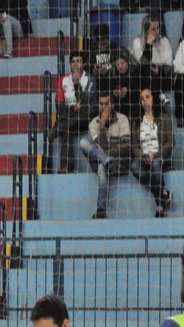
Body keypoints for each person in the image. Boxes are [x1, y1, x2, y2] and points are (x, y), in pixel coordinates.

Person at [79, 91, 131, 219]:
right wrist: (101, 125)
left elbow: (126, 147)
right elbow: (98, 148)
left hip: (118, 162)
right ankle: (105, 160)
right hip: (101, 159)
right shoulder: (93, 123)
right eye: (101, 104)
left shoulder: (122, 119)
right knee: (83, 142)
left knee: (102, 165)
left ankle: (101, 209)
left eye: (107, 103)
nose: (104, 107)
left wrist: (106, 154)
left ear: (112, 105)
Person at [49, 51, 98, 174]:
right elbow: (59, 107)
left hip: (85, 119)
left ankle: (57, 129)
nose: (75, 64)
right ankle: (66, 167)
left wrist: (76, 85)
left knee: (86, 112)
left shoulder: (90, 79)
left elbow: (86, 104)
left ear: (84, 63)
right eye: (73, 61)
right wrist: (73, 109)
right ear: (70, 64)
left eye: (79, 61)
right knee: (67, 129)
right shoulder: (63, 80)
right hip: (70, 119)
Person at [130, 87, 174, 217]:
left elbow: (171, 142)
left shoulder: (164, 118)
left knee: (155, 164)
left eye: (147, 97)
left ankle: (159, 206)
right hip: (143, 159)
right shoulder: (136, 122)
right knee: (133, 166)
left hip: (160, 156)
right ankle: (163, 193)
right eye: (142, 98)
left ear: (153, 99)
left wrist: (155, 155)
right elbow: (135, 146)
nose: (144, 100)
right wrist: (143, 156)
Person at [131, 14, 173, 95]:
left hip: (161, 76)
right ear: (146, 31)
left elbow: (169, 66)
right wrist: (149, 43)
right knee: (147, 70)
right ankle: (159, 97)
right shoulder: (137, 42)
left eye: (158, 28)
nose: (157, 31)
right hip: (143, 76)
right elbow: (143, 63)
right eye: (153, 29)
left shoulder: (164, 41)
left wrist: (159, 71)